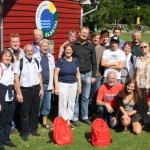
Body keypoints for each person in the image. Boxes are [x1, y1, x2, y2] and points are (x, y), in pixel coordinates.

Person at [14, 44, 44, 141]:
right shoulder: (19, 63)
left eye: (31, 50)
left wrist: (41, 88)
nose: (30, 52)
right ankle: (25, 132)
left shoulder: (36, 61)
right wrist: (19, 93)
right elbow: (16, 79)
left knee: (35, 111)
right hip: (25, 90)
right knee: (25, 113)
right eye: (28, 50)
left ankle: (33, 129)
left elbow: (39, 75)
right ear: (25, 51)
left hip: (36, 89)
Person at [71, 26, 97, 126]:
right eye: (83, 32)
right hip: (76, 75)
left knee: (85, 97)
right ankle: (75, 117)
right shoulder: (73, 45)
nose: (85, 34)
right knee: (76, 97)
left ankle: (85, 116)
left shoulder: (90, 46)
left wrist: (93, 75)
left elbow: (94, 62)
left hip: (87, 74)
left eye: (86, 33)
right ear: (79, 33)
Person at [54, 43, 81, 129]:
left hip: (73, 84)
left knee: (71, 104)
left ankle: (68, 122)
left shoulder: (75, 60)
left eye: (70, 50)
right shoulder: (60, 61)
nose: (68, 51)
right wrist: (56, 87)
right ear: (64, 51)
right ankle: (62, 122)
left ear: (72, 51)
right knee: (63, 103)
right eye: (67, 50)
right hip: (63, 84)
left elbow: (78, 74)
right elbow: (55, 74)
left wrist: (79, 86)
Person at [34, 39, 55, 129]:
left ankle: (44, 122)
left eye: (47, 46)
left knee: (47, 105)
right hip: (39, 85)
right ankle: (35, 123)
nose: (46, 48)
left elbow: (53, 72)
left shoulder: (51, 57)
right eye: (44, 46)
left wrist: (53, 85)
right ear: (40, 47)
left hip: (49, 84)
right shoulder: (35, 57)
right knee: (38, 104)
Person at [0, 49, 17, 150]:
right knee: (1, 121)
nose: (8, 57)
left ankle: (7, 139)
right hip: (2, 97)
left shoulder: (10, 67)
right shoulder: (0, 68)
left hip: (10, 97)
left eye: (9, 56)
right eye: (6, 55)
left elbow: (13, 82)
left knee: (9, 120)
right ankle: (0, 142)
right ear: (2, 56)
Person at [8, 33, 25, 134]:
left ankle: (19, 123)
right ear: (10, 42)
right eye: (13, 41)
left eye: (17, 41)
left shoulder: (23, 52)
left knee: (21, 105)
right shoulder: (6, 53)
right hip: (11, 83)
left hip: (22, 83)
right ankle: (12, 126)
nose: (15, 43)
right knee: (12, 105)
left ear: (19, 42)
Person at [89, 32, 106, 117]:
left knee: (95, 93)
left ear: (100, 40)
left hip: (98, 75)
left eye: (97, 38)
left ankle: (93, 111)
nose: (96, 39)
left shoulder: (103, 49)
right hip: (88, 73)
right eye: (94, 38)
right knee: (87, 94)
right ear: (92, 38)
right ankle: (87, 111)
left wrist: (103, 73)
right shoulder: (88, 47)